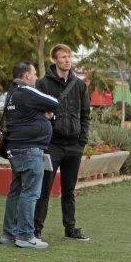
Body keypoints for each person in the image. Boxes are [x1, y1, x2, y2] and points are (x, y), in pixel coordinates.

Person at [34, 44, 91, 241]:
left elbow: (86, 115)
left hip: (74, 145)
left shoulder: (80, 85)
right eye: (63, 57)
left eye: (69, 56)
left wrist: (82, 141)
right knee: (44, 189)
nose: (67, 60)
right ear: (55, 60)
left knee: (69, 190)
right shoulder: (43, 84)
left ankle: (70, 228)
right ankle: (36, 229)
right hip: (52, 144)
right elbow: (37, 113)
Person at [0, 61, 59, 249]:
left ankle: (9, 234)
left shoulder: (11, 94)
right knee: (31, 192)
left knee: (16, 190)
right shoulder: (26, 91)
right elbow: (54, 102)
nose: (35, 78)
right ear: (26, 76)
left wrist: (42, 114)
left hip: (16, 148)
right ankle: (25, 236)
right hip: (29, 149)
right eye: (34, 74)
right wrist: (47, 113)